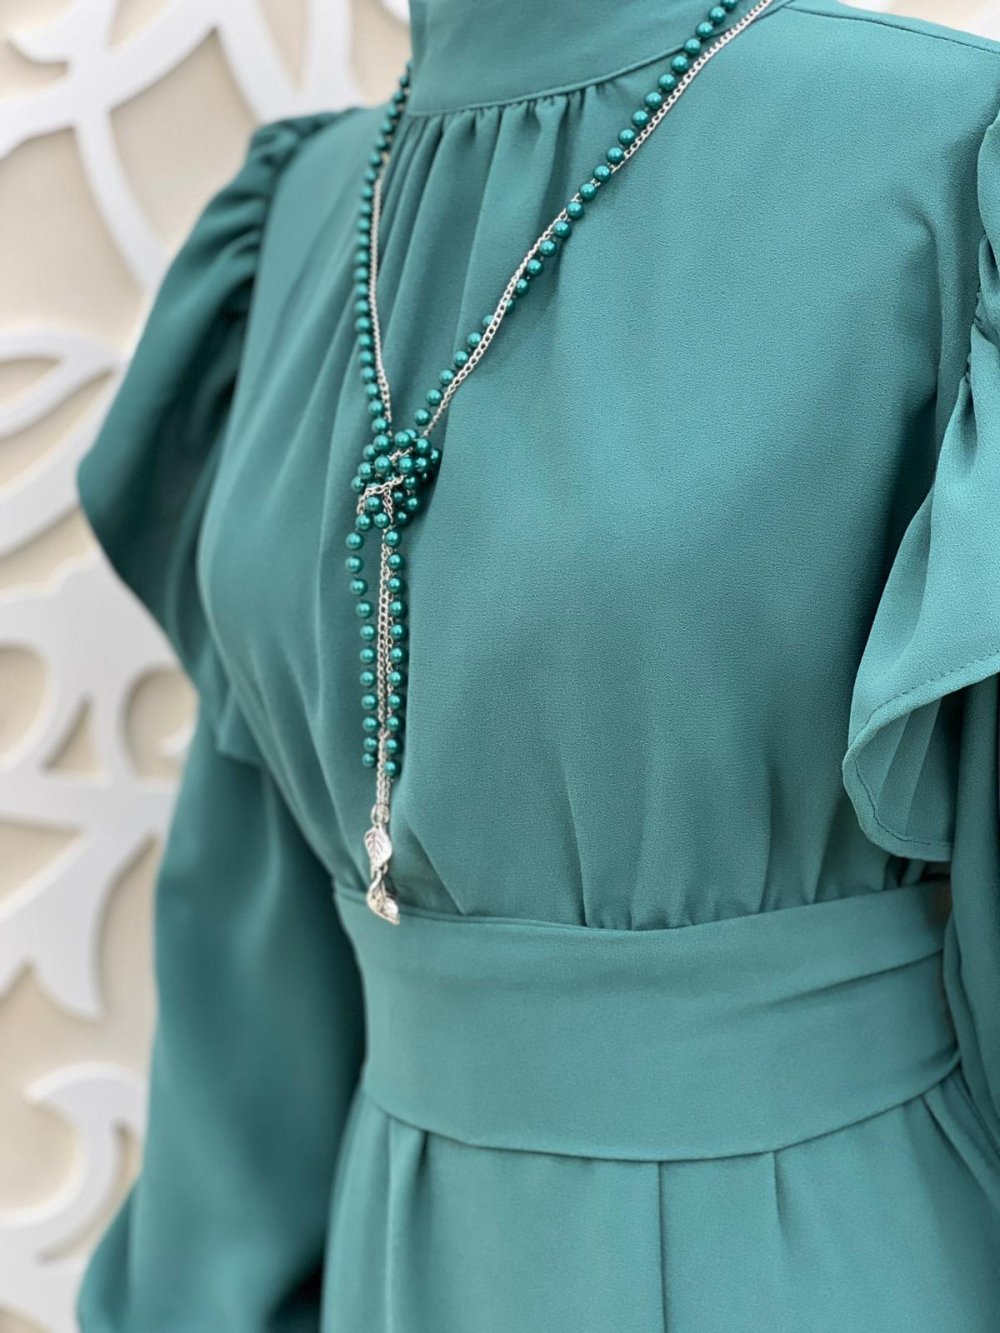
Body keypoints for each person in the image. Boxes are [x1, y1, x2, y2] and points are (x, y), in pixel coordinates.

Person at [73, 0, 1000, 1327]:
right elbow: (252, 941)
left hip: (810, 1255)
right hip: (396, 1253)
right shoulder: (292, 218)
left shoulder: (942, 148)